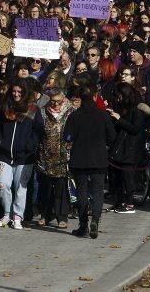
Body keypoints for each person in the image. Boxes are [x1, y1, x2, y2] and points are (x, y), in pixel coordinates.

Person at [64, 85, 116, 239]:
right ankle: (95, 221)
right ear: (94, 97)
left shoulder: (74, 116)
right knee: (98, 191)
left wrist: (72, 139)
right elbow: (112, 136)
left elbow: (67, 136)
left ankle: (83, 225)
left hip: (79, 158)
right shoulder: (103, 115)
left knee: (81, 192)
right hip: (98, 158)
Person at [0, 79, 44, 229]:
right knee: (2, 184)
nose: (16, 94)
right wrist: (0, 139)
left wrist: (30, 145)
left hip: (24, 156)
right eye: (14, 91)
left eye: (19, 92)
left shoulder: (33, 108)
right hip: (5, 155)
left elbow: (38, 130)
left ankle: (17, 216)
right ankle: (7, 213)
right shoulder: (4, 107)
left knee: (20, 188)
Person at [36, 88, 75, 228]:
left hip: (64, 155)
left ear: (64, 99)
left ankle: (61, 217)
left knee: (61, 187)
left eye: (58, 102)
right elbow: (38, 131)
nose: (55, 105)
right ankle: (45, 215)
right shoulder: (42, 111)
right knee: (45, 188)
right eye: (52, 101)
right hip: (46, 155)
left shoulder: (71, 111)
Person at [107, 82, 146, 214]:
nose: (118, 99)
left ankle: (129, 203)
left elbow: (135, 129)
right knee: (117, 177)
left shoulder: (136, 110)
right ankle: (119, 201)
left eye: (119, 96)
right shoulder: (122, 108)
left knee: (127, 177)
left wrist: (119, 120)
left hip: (130, 149)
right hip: (119, 147)